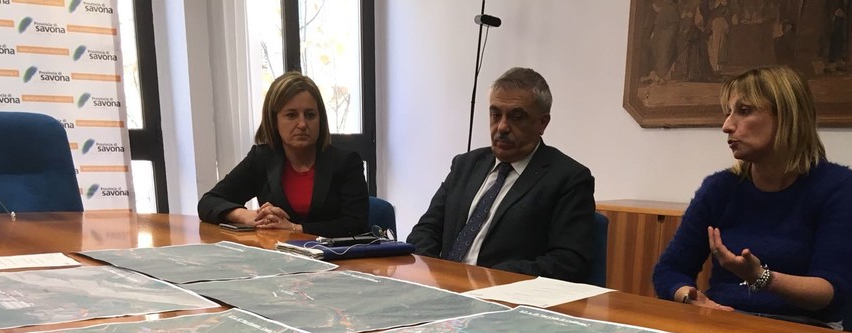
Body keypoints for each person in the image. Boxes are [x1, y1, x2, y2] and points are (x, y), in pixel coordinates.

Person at [651, 65, 852, 327]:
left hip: (803, 329)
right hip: (725, 322)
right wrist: (691, 298)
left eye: (744, 111)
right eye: (728, 113)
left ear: (787, 117)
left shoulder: (837, 186)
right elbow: (669, 270)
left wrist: (761, 278)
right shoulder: (720, 188)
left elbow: (831, 292)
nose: (727, 126)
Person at [407, 67, 595, 282]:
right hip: (444, 287)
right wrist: (437, 272)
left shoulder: (568, 179)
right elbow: (425, 231)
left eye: (517, 117)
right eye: (495, 115)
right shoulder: (465, 165)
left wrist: (490, 278)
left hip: (503, 294)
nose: (502, 127)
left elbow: (569, 262)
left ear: (542, 123)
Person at [198, 71, 369, 237]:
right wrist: (247, 215)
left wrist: (295, 228)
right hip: (276, 254)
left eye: (310, 115)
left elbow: (355, 224)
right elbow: (208, 202)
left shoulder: (345, 163)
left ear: (320, 120)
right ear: (274, 121)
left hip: (333, 254)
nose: (302, 124)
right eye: (291, 115)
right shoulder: (261, 158)